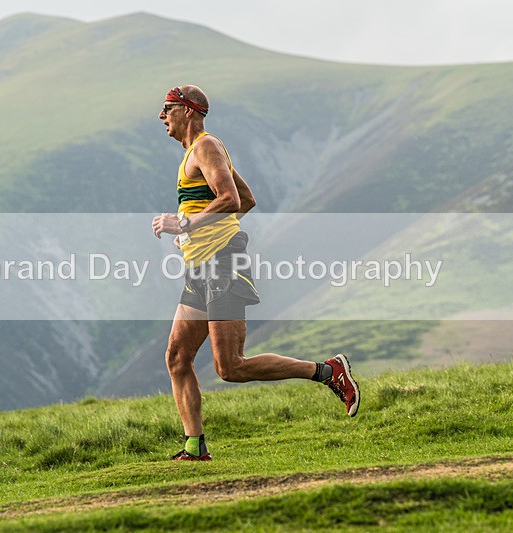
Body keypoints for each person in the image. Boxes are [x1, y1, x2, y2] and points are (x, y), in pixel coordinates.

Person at [151, 85, 359, 461]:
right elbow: (246, 200)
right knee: (177, 358)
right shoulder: (193, 155)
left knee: (230, 367)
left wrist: (183, 226)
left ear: (187, 110)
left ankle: (328, 372)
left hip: (223, 264)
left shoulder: (205, 146)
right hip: (200, 266)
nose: (161, 116)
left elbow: (228, 199)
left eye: (166, 108)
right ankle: (194, 448)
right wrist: (197, 232)